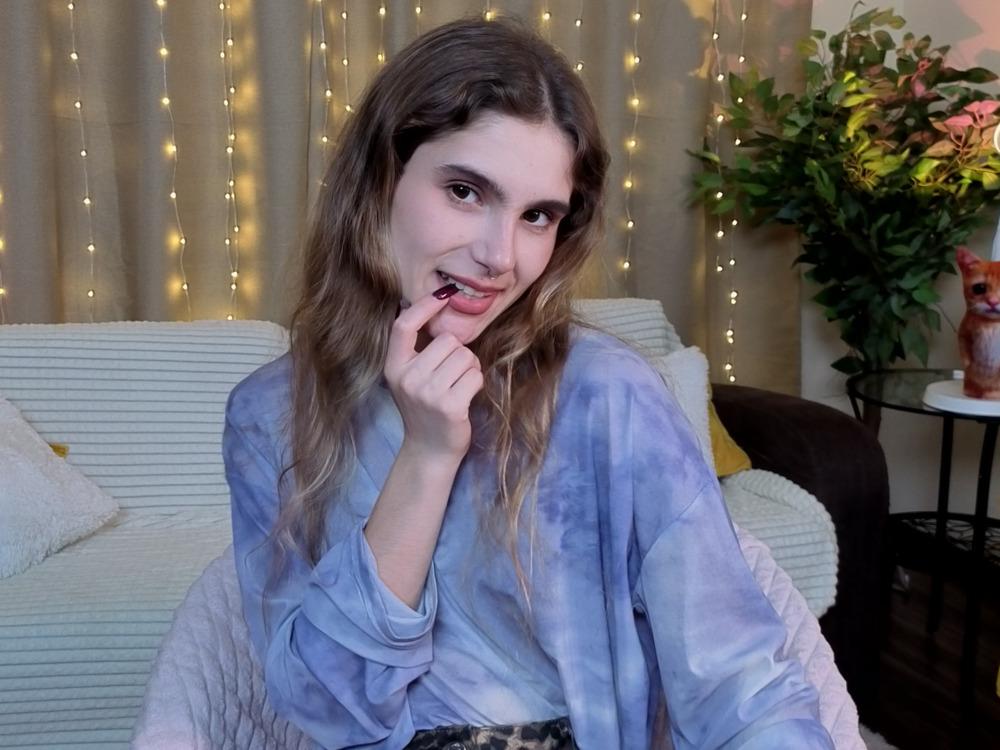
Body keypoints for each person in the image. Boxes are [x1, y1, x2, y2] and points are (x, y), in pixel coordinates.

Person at [223, 16, 834, 750]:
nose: (500, 257)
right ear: (378, 181)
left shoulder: (607, 394)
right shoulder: (268, 414)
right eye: (465, 191)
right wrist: (426, 456)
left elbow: (739, 682)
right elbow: (326, 707)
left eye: (537, 215)